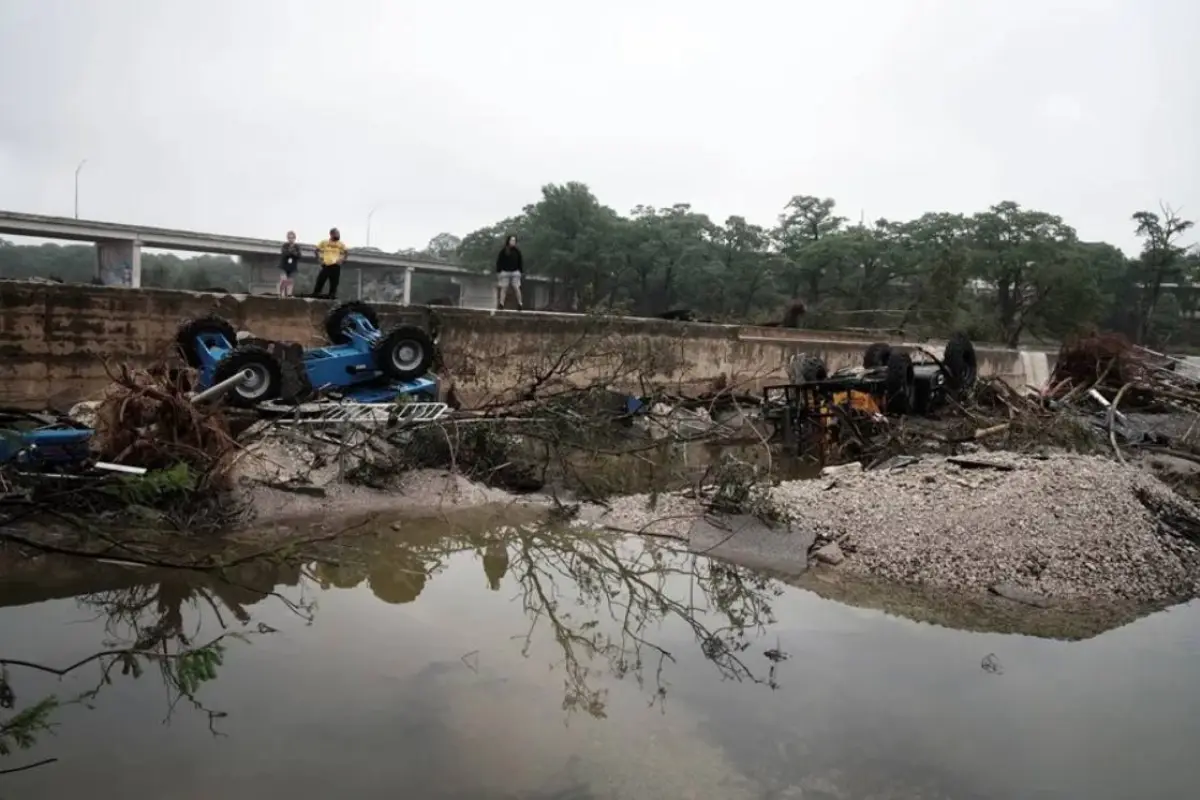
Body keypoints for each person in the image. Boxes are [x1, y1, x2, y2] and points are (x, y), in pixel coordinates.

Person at [312, 227, 347, 298]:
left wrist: (342, 260)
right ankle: (316, 293)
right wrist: (319, 260)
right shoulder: (324, 242)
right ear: (331, 234)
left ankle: (332, 294)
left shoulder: (341, 244)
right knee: (321, 279)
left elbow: (346, 253)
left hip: (336, 265)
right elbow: (316, 251)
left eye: (339, 234)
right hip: (326, 264)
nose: (338, 235)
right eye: (337, 234)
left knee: (334, 282)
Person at [495, 234, 523, 311]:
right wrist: (499, 271)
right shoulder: (503, 251)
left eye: (514, 240)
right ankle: (501, 304)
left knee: (516, 287)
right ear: (508, 241)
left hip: (515, 272)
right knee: (504, 288)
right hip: (505, 272)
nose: (513, 242)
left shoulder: (517, 251)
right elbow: (499, 262)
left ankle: (520, 303)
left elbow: (520, 262)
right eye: (512, 240)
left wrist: (520, 271)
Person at [278, 230, 301, 297]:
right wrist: (292, 252)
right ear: (287, 238)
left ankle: (289, 295)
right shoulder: (285, 245)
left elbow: (299, 255)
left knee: (290, 282)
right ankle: (281, 294)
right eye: (289, 238)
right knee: (283, 280)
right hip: (284, 266)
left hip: (292, 267)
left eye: (292, 238)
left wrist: (293, 252)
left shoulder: (297, 246)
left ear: (294, 238)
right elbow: (284, 253)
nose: (291, 239)